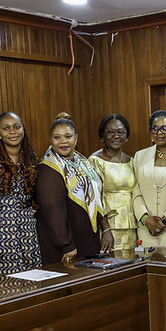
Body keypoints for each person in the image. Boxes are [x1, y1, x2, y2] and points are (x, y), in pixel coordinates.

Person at [36, 113, 113, 264]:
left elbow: (96, 197)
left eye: (68, 136)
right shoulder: (48, 168)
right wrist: (67, 245)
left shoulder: (82, 162)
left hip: (86, 239)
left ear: (76, 138)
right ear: (50, 140)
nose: (63, 141)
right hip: (65, 246)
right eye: (57, 137)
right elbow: (52, 210)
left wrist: (106, 229)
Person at [0, 111, 41, 276]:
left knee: (33, 282)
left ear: (23, 129)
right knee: (4, 287)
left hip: (28, 231)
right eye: (6, 128)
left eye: (16, 127)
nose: (12, 132)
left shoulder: (31, 157)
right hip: (0, 234)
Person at [132, 110, 166, 248]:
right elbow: (137, 191)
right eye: (155, 129)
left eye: (164, 128)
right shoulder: (140, 156)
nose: (159, 133)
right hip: (146, 231)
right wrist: (145, 219)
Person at [89, 114, 137, 252]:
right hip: (109, 226)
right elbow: (95, 198)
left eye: (120, 132)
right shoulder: (95, 161)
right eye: (110, 132)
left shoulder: (132, 160)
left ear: (126, 136)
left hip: (131, 224)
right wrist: (106, 230)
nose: (116, 136)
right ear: (102, 135)